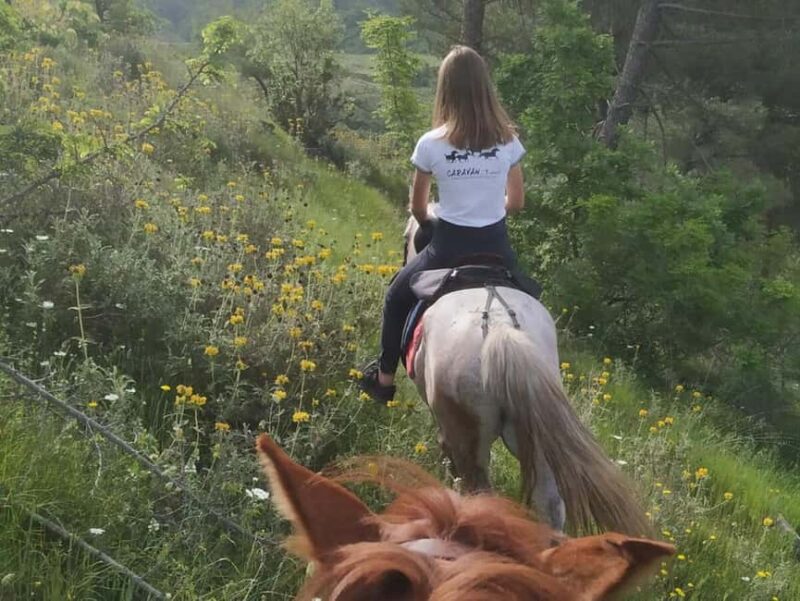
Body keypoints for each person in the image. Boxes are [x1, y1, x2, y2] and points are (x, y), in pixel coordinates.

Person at [359, 45, 526, 403]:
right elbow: (515, 203)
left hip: (448, 247)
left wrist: (430, 222)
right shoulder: (508, 141)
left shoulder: (431, 144)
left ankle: (384, 379)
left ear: (445, 88)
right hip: (497, 248)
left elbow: (419, 208)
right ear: (485, 87)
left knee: (395, 297)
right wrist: (488, 206)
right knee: (528, 301)